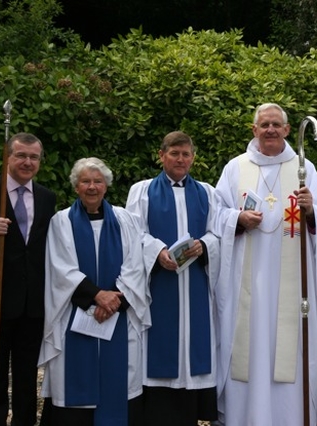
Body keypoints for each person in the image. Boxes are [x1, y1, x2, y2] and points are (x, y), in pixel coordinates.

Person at [214, 103, 317, 425]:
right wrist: (236, 218)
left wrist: (311, 212)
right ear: (254, 130)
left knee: (289, 346)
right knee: (247, 344)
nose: (269, 130)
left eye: (275, 124)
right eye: (263, 124)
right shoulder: (235, 168)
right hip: (246, 281)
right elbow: (215, 214)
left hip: (292, 282)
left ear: (286, 129)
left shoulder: (302, 167)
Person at [38, 157, 150, 426]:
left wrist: (114, 300)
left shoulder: (126, 220)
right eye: (85, 181)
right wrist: (97, 296)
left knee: (119, 379)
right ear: (76, 186)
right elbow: (60, 268)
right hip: (75, 316)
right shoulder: (61, 221)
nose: (92, 187)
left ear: (106, 186)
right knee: (74, 382)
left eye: (97, 181)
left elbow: (136, 266)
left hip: (118, 316)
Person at [125, 130, 220, 425]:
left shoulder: (207, 192)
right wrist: (157, 251)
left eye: (186, 154)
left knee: (195, 351)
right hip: (159, 285)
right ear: (161, 155)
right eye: (174, 153)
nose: (181, 159)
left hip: (196, 287)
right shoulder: (141, 191)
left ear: (193, 158)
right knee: (159, 354)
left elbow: (219, 232)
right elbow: (133, 234)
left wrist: (203, 246)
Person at [0, 132, 56, 426]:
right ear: (8, 157)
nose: (27, 162)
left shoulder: (47, 198)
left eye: (33, 157)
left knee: (26, 375)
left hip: (32, 304)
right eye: (21, 155)